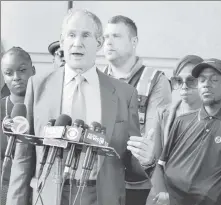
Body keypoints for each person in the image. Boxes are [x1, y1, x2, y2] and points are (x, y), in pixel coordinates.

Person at [6, 9, 155, 205]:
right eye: (71, 35)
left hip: (101, 197)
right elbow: (23, 159)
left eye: (86, 35)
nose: (78, 43)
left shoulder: (124, 94)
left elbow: (130, 165)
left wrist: (146, 160)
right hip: (49, 196)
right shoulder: (38, 86)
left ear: (99, 43)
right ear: (62, 41)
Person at [103, 15, 172, 205]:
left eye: (116, 36)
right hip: (103, 179)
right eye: (105, 36)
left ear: (134, 42)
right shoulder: (96, 79)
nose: (107, 42)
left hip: (138, 183)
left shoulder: (155, 80)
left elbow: (153, 138)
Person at [153, 58, 221, 205]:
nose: (206, 84)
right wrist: (162, 193)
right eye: (201, 80)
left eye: (214, 80)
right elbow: (161, 165)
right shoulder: (182, 121)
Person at [146, 55, 203, 205]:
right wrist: (162, 193)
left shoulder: (215, 117)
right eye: (178, 81)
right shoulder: (163, 114)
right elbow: (156, 162)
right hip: (164, 196)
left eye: (191, 81)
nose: (184, 86)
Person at [0, 47, 35, 205]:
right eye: (9, 73)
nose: (16, 77)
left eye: (22, 70)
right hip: (4, 188)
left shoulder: (44, 108)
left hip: (37, 187)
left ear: (32, 71)